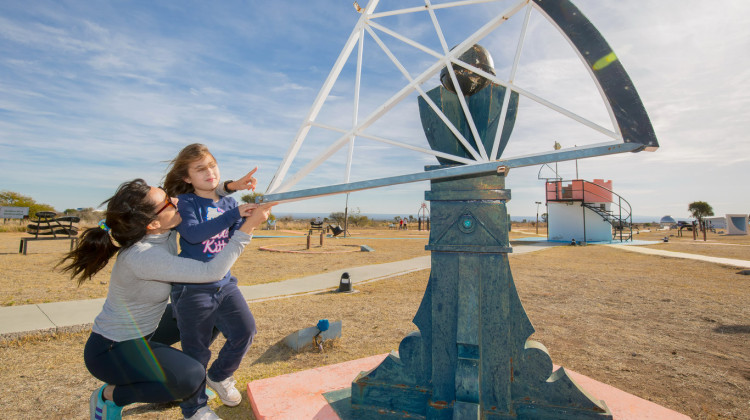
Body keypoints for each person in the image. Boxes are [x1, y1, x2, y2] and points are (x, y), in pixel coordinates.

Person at [58, 179, 273, 420]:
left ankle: (174, 381)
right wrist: (248, 229)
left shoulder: (166, 230)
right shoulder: (142, 256)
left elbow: (194, 187)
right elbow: (211, 272)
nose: (177, 201)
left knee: (211, 312)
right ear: (152, 224)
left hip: (147, 331)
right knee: (190, 378)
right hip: (112, 349)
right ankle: (110, 395)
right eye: (168, 202)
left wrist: (230, 187)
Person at [163, 143, 262, 417]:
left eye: (212, 165)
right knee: (196, 352)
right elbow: (194, 235)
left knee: (245, 331)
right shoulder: (186, 202)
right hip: (192, 288)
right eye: (200, 169)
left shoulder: (229, 201)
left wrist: (249, 219)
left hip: (224, 283)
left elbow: (232, 238)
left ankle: (218, 376)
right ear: (187, 178)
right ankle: (194, 409)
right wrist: (235, 213)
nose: (209, 172)